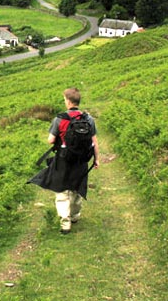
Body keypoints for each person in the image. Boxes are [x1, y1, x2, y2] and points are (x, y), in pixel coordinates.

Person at [47, 87, 99, 234]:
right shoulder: (88, 118)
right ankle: (75, 215)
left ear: (68, 101)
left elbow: (51, 140)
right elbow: (94, 141)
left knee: (62, 190)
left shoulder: (60, 118)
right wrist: (97, 159)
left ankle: (65, 223)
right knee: (77, 187)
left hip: (63, 159)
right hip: (81, 159)